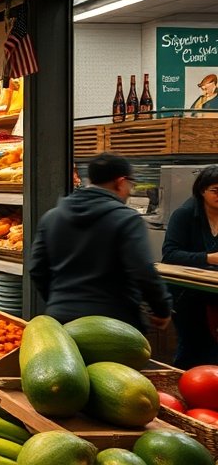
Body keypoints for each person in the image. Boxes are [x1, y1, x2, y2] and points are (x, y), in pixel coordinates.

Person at [28, 153, 172, 332]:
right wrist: (162, 309)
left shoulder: (52, 217)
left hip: (60, 322)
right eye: (130, 184)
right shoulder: (126, 219)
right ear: (120, 182)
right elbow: (142, 270)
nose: (130, 190)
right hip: (112, 325)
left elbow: (36, 269)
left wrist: (59, 301)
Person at [161, 164, 218, 368]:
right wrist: (209, 258)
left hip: (215, 293)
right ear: (202, 190)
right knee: (191, 348)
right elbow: (170, 255)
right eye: (215, 190)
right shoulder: (184, 214)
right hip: (188, 294)